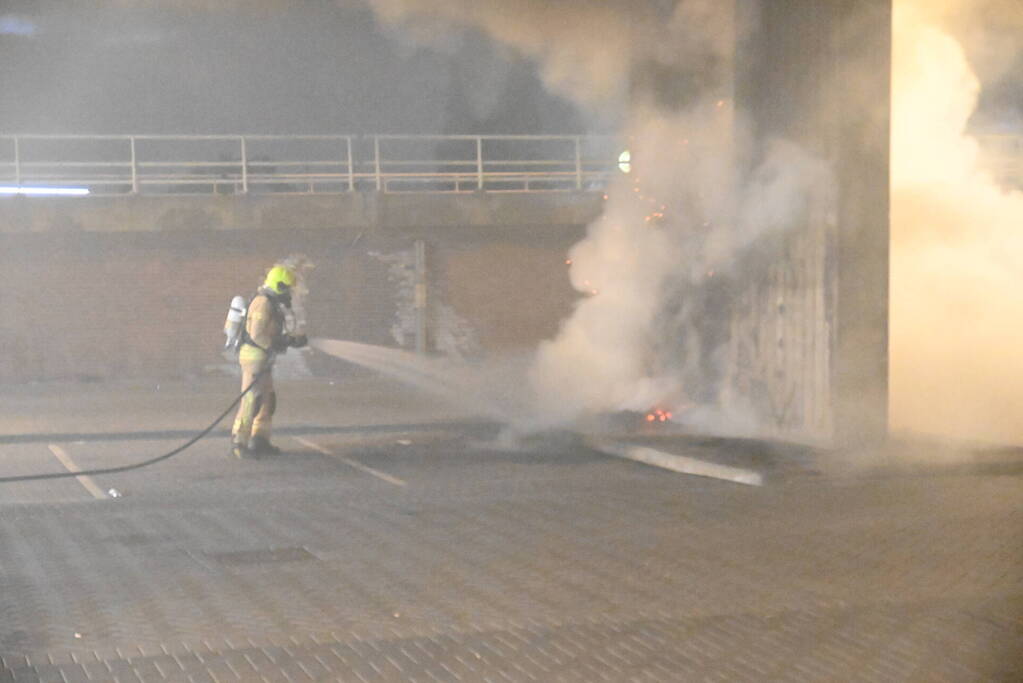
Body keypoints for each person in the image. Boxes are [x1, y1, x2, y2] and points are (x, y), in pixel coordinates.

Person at [231, 264, 307, 458]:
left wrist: (290, 339)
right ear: (279, 285)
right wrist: (279, 342)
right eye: (288, 288)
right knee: (251, 400)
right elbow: (257, 335)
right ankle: (239, 444)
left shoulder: (272, 302)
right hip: (254, 357)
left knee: (267, 399)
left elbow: (271, 331)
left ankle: (260, 439)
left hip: (263, 357)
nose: (289, 292)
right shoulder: (263, 302)